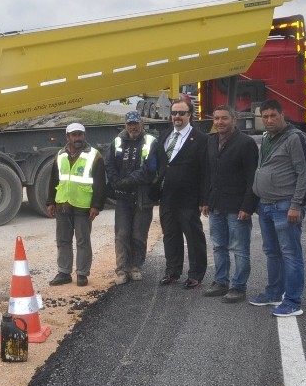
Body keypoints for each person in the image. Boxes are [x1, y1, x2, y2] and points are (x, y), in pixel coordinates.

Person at [249, 99, 306, 317]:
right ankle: (274, 292)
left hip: (285, 206)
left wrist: (297, 205)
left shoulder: (295, 138)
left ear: (282, 114)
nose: (268, 120)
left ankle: (293, 302)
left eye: (272, 115)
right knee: (272, 252)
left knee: (290, 254)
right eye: (264, 116)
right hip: (265, 205)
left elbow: (304, 173)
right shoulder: (267, 138)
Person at [202, 104, 259, 303]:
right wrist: (205, 200)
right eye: (216, 118)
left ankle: (238, 287)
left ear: (234, 120)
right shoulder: (211, 142)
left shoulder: (246, 143)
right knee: (218, 246)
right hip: (216, 205)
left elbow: (252, 178)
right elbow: (207, 174)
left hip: (237, 207)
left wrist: (247, 206)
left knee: (240, 249)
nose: (219, 122)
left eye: (224, 118)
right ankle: (220, 282)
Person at [156, 99, 210, 289]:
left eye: (181, 113)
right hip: (167, 196)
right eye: (174, 113)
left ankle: (196, 274)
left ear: (190, 115)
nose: (177, 117)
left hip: (189, 197)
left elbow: (205, 171)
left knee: (193, 236)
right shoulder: (164, 136)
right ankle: (172, 272)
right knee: (170, 235)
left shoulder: (201, 139)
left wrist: (204, 199)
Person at [45, 122, 107, 286]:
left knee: (82, 241)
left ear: (84, 136)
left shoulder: (95, 156)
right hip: (62, 205)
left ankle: (82, 274)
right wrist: (50, 201)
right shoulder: (60, 155)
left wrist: (96, 206)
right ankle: (64, 272)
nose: (77, 138)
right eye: (74, 135)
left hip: (83, 206)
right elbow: (54, 179)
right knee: (63, 241)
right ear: (68, 137)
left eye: (80, 134)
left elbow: (100, 183)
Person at [104, 110, 159, 286]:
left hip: (143, 196)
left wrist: (127, 181)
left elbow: (150, 168)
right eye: (129, 124)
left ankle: (135, 267)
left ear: (141, 124)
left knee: (138, 234)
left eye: (135, 123)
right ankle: (121, 270)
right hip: (123, 197)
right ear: (125, 125)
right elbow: (109, 164)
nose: (133, 127)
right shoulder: (117, 142)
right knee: (121, 234)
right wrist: (115, 181)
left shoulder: (151, 142)